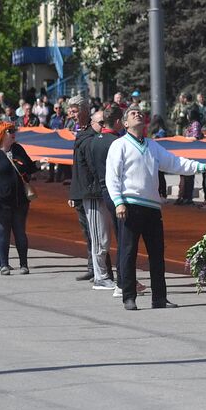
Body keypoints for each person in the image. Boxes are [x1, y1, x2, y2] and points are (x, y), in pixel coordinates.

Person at [105, 107, 205, 310]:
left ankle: (159, 298)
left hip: (152, 207)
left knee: (157, 253)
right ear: (124, 123)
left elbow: (174, 163)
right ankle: (129, 296)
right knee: (128, 252)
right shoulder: (119, 145)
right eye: (132, 114)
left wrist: (202, 167)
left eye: (140, 113)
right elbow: (112, 175)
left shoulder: (152, 145)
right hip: (130, 205)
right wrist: (118, 201)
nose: (138, 114)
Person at [0, 122, 37, 274]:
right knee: (2, 232)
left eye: (13, 130)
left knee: (20, 232)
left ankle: (24, 264)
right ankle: (4, 264)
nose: (13, 133)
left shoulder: (18, 149)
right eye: (9, 131)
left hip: (20, 201)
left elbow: (29, 167)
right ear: (1, 134)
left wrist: (38, 164)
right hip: (0, 201)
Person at [78, 106, 119, 291]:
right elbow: (81, 170)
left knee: (107, 237)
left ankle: (108, 275)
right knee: (99, 238)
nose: (103, 126)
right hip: (94, 194)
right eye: (100, 123)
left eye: (105, 122)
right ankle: (100, 277)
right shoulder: (87, 141)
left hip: (104, 193)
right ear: (92, 123)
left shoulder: (100, 140)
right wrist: (75, 195)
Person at [67, 98, 97, 279]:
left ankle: (100, 269)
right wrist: (73, 191)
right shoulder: (80, 132)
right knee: (87, 232)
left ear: (85, 110)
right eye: (71, 111)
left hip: (92, 190)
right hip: (80, 189)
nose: (72, 115)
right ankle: (92, 267)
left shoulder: (93, 132)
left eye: (75, 111)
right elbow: (76, 166)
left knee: (96, 232)